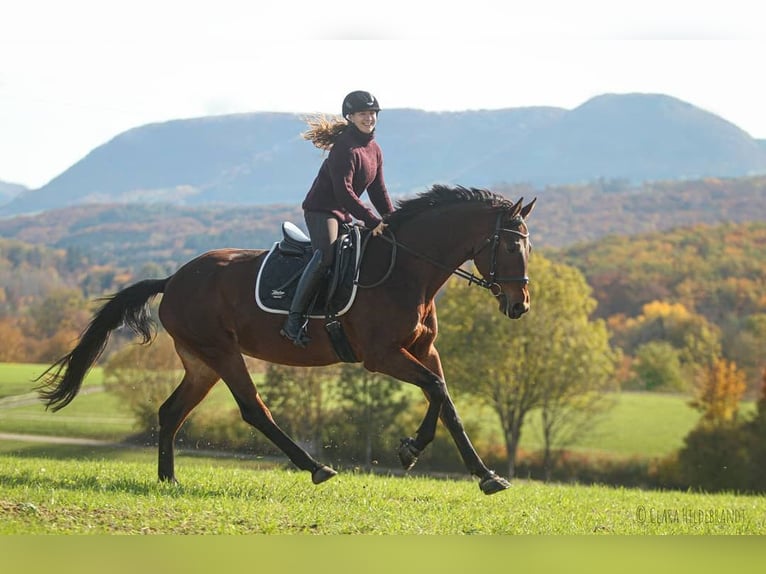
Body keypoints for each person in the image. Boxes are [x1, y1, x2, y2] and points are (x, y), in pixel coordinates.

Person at [280, 90, 394, 347]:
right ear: (350, 117)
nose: (369, 118)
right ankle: (294, 320)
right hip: (322, 211)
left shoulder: (374, 149)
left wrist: (392, 219)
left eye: (372, 113)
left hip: (344, 213)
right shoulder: (345, 147)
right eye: (363, 114)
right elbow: (344, 192)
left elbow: (378, 190)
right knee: (325, 257)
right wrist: (371, 220)